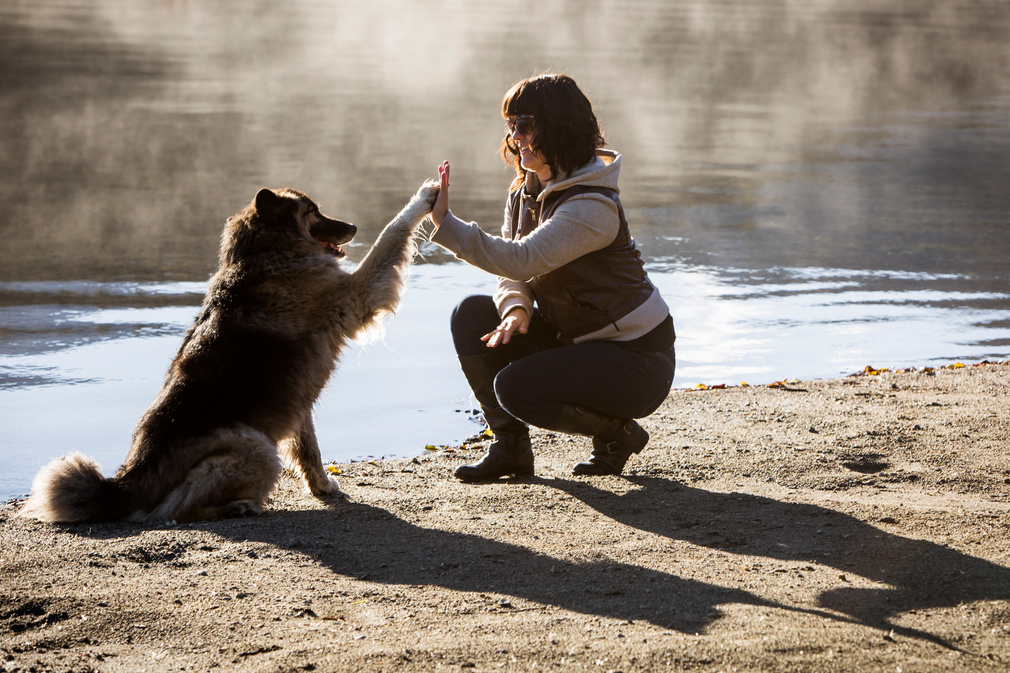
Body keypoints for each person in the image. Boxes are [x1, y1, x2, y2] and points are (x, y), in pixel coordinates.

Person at [428, 73, 676, 481]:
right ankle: (510, 449)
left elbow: (522, 258)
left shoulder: (593, 205)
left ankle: (618, 435)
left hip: (638, 359)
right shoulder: (525, 191)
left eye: (523, 125)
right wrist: (515, 309)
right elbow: (513, 273)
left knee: (515, 388)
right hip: (575, 340)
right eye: (510, 126)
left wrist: (447, 224)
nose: (514, 136)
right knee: (471, 315)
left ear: (557, 126)